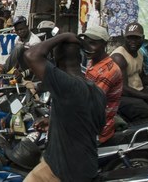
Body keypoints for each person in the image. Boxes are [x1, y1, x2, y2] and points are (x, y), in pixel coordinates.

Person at [24, 33, 106, 182]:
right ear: (80, 59)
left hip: (62, 171)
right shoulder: (97, 90)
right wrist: (54, 122)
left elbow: (31, 55)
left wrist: (65, 35)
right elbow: (95, 126)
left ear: (56, 62)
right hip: (87, 168)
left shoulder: (66, 85)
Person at [79, 25, 123, 143]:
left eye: (93, 43)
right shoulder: (92, 61)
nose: (88, 48)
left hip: (99, 127)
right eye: (86, 44)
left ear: (104, 45)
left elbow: (92, 103)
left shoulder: (109, 71)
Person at [111, 22, 148, 123]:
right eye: (130, 38)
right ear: (124, 37)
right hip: (122, 97)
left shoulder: (139, 53)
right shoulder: (119, 57)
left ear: (143, 38)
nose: (133, 41)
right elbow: (124, 89)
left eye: (137, 38)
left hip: (137, 92)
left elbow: (143, 80)